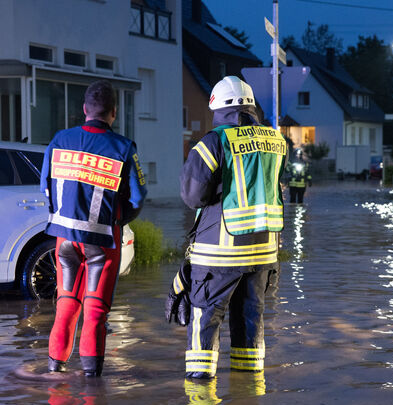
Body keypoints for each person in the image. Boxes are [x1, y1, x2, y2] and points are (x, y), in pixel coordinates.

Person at [166, 76, 286, 379]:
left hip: (218, 255)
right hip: (263, 254)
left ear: (215, 107)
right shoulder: (276, 142)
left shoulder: (214, 142)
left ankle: (200, 399)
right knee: (250, 323)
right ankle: (248, 398)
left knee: (205, 322)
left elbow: (193, 196)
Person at [41, 80, 147, 377]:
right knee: (95, 311)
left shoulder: (59, 140)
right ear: (114, 113)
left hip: (63, 240)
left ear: (85, 109)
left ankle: (54, 373)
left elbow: (45, 187)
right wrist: (118, 220)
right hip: (102, 240)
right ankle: (92, 388)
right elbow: (138, 198)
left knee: (65, 307)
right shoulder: (124, 147)